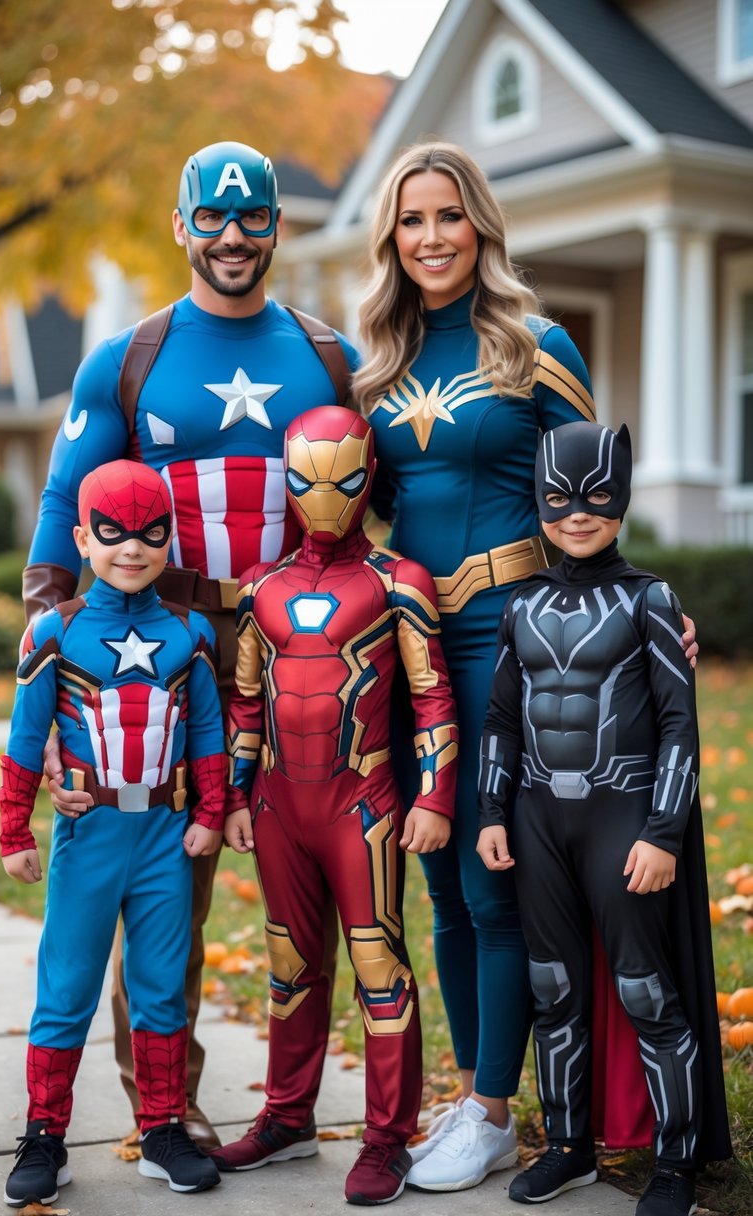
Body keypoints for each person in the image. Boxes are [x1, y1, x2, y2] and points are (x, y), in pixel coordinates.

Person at [352, 141, 697, 1192]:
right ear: (390, 238)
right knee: (436, 882)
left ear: (481, 225)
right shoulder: (374, 362)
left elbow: (590, 497)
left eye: (448, 216)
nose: (431, 238)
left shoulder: (534, 344)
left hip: (516, 647)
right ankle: (477, 1099)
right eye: (410, 221)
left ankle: (496, 1105)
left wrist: (654, 613)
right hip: (410, 653)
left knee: (488, 879)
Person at [22, 140, 359, 1148]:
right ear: (180, 227)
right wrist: (44, 667)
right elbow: (57, 514)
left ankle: (295, 1099)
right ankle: (163, 1103)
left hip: (300, 642)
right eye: (208, 218)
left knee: (316, 870)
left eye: (250, 217)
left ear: (276, 227)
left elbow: (376, 507)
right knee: (174, 878)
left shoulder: (329, 356)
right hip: (161, 644)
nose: (230, 236)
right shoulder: (125, 359)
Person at [476, 420, 731, 1213]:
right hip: (536, 821)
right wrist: (490, 812)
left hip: (622, 820)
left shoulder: (650, 598)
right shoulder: (520, 606)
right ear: (538, 505)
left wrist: (662, 833)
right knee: (553, 987)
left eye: (595, 497)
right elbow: (502, 720)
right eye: (557, 499)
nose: (576, 514)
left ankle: (676, 1163)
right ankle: (566, 1145)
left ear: (620, 499)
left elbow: (677, 725)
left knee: (644, 989)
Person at [210, 406, 459, 1205]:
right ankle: (287, 1119)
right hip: (281, 807)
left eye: (344, 481)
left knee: (378, 968)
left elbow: (432, 699)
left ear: (368, 480)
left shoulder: (398, 581)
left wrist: (436, 797)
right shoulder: (260, 588)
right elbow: (245, 702)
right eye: (304, 480)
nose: (323, 497)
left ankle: (387, 1138)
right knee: (288, 967)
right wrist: (238, 797)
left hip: (365, 804)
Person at [0, 460, 227, 1206]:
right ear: (81, 539)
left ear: (170, 540)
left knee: (160, 990)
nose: (132, 547)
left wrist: (210, 815)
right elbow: (26, 736)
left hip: (164, 835)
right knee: (65, 990)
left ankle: (161, 1129)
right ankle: (44, 1135)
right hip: (89, 833)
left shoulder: (190, 631)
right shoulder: (55, 630)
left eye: (149, 533)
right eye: (113, 532)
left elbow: (206, 737)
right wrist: (15, 829)